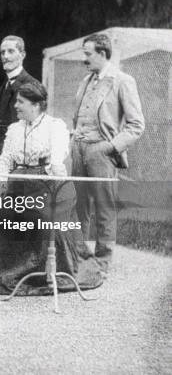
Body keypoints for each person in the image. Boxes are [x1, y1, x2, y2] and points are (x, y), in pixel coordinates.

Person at [0, 82, 104, 295]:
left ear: (35, 105)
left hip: (48, 183)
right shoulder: (14, 129)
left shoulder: (55, 126)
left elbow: (57, 158)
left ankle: (43, 273)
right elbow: (5, 159)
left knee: (44, 217)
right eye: (16, 101)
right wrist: (2, 183)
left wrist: (57, 180)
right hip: (18, 185)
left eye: (20, 102)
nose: (15, 106)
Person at [71, 33, 144, 272]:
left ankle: (102, 261)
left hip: (102, 151)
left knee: (104, 206)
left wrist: (109, 147)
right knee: (78, 205)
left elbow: (136, 126)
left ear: (103, 54)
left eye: (88, 54)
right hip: (79, 150)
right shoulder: (85, 81)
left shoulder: (123, 81)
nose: (84, 59)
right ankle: (79, 257)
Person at [0, 35, 38, 192]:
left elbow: (35, 129)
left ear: (23, 55)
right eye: (2, 52)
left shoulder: (32, 85)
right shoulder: (5, 86)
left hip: (19, 159)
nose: (5, 56)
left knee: (15, 205)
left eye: (11, 51)